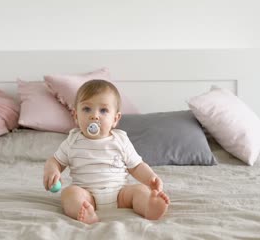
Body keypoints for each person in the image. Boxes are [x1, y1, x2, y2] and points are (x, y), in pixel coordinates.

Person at [43, 79, 170, 224]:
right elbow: (56, 161)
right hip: (87, 195)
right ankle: (84, 212)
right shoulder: (72, 141)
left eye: (103, 110)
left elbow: (136, 166)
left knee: (140, 190)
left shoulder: (121, 140)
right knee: (69, 194)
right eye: (86, 109)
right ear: (76, 116)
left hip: (120, 194)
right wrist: (52, 170)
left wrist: (150, 178)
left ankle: (149, 207)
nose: (94, 116)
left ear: (115, 119)